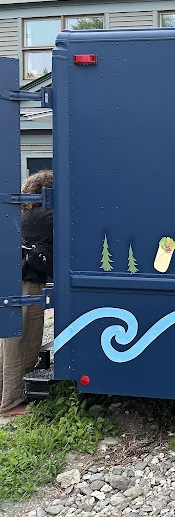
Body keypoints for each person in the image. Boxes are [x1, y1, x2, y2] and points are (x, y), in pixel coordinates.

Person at [0, 169, 53, 416]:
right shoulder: (42, 216)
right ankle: (12, 401)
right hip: (26, 279)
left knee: (8, 339)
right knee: (24, 338)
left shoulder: (21, 214)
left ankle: (5, 393)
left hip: (10, 277)